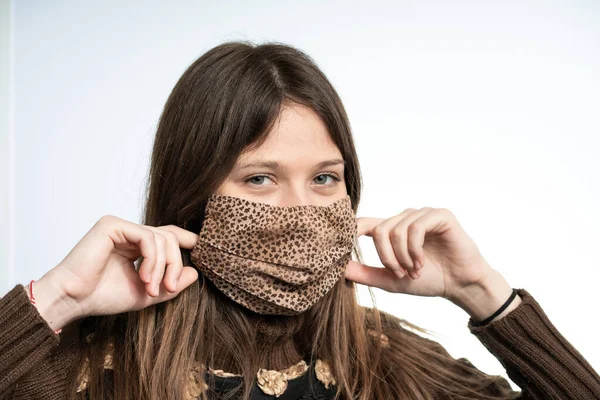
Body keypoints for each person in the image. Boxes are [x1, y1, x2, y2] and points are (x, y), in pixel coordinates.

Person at [1, 40, 599, 400]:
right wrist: (54, 301)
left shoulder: (393, 367)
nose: (300, 214)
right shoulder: (82, 371)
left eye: (324, 179)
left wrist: (482, 294)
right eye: (259, 179)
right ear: (191, 199)